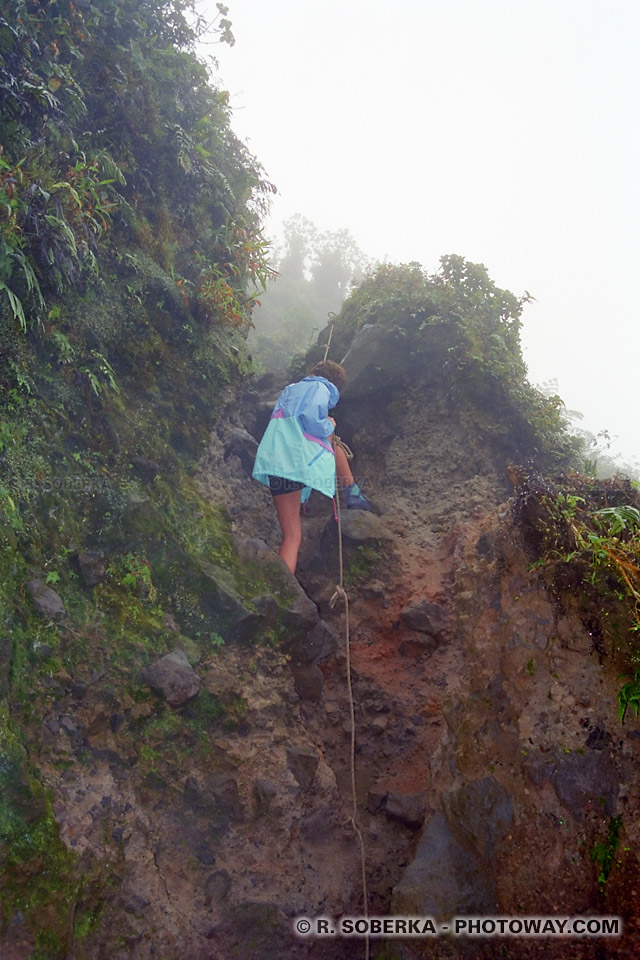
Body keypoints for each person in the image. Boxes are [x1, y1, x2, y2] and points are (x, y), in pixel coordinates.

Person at [252, 360, 373, 574]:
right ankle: (353, 492)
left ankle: (282, 587)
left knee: (290, 535)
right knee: (293, 537)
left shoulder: (290, 390)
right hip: (294, 464)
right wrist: (330, 425)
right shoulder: (321, 388)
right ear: (334, 383)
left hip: (275, 464)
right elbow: (311, 419)